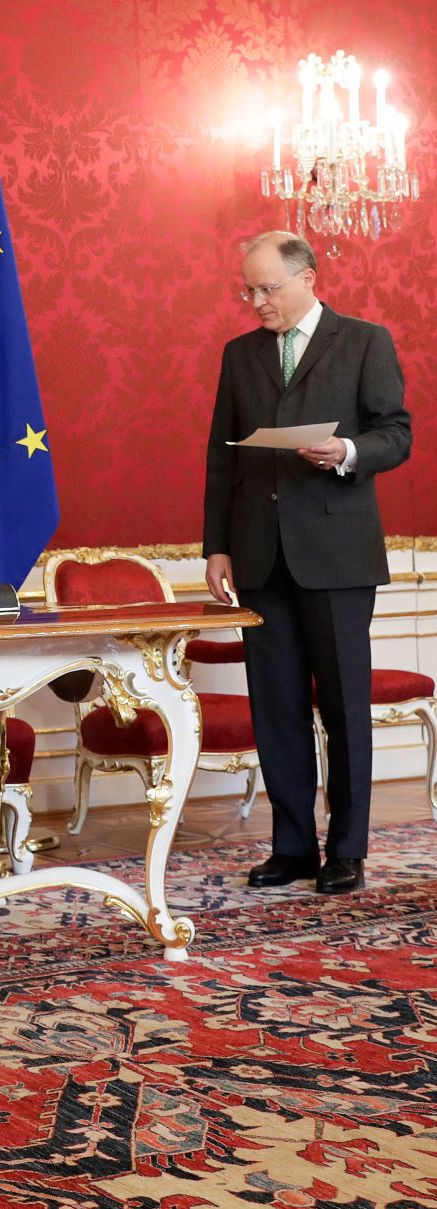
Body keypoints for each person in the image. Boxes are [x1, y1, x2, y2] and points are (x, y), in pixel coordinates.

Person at [203, 230, 411, 896]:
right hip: (260, 555)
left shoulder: (364, 341)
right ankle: (292, 844)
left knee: (345, 707)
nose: (256, 300)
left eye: (267, 288)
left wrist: (347, 453)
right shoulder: (240, 355)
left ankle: (346, 848)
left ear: (308, 278)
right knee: (277, 707)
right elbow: (222, 459)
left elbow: (396, 432)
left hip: (336, 553)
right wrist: (217, 545)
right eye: (249, 289)